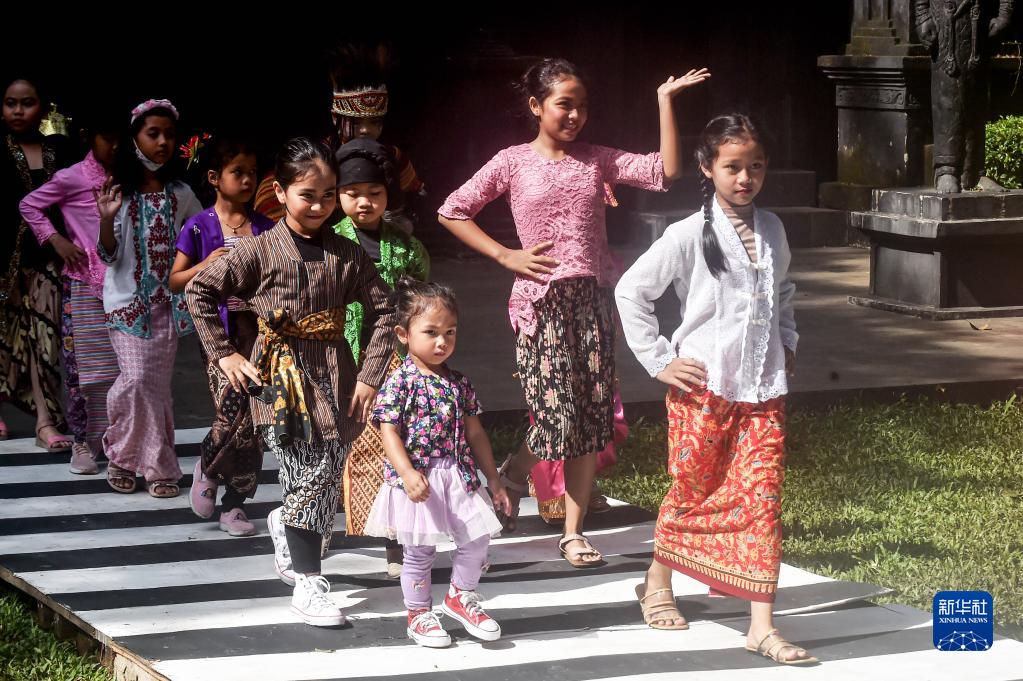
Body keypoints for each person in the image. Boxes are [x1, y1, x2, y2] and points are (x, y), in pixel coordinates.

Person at [438, 57, 708, 567]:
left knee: (590, 421)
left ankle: (573, 532)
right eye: (564, 104)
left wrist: (664, 100)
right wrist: (505, 255)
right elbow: (452, 210)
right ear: (536, 106)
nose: (575, 115)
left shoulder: (596, 159)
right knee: (556, 418)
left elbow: (665, 171)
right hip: (540, 305)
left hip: (593, 302)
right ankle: (514, 473)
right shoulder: (511, 161)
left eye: (582, 106)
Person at [615, 113, 816, 665]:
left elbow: (784, 290)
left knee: (762, 498)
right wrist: (660, 360)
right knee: (693, 491)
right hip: (704, 388)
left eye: (756, 166)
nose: (745, 178)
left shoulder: (773, 229)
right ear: (707, 167)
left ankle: (761, 627)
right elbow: (631, 291)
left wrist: (787, 339)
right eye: (733, 167)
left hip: (764, 391)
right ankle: (658, 580)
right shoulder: (686, 234)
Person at [187, 137, 395, 627]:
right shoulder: (257, 251)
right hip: (282, 376)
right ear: (280, 192)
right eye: (307, 195)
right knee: (309, 470)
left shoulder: (347, 253)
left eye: (328, 195)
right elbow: (199, 290)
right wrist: (225, 353)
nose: (319, 206)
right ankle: (308, 582)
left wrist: (370, 376)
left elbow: (386, 311)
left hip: (338, 373)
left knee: (330, 463)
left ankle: (286, 519)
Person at [363, 278, 510, 648]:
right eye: (431, 332)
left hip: (460, 476)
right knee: (419, 551)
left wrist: (494, 479)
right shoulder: (400, 382)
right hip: (420, 479)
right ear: (403, 334)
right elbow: (388, 431)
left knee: (477, 538)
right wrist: (406, 472)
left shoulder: (460, 383)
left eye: (450, 332)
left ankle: (460, 595)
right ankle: (418, 614)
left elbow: (475, 433)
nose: (442, 342)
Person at [332, 137, 429, 577]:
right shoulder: (328, 243)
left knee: (398, 446)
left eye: (374, 193)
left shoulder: (406, 247)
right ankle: (316, 525)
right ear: (338, 195)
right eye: (352, 193)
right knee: (349, 446)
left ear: (388, 195)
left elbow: (423, 302)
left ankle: (396, 538)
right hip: (343, 359)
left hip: (395, 361)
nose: (364, 202)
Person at [96, 98, 201, 498]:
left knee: (154, 388)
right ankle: (125, 454)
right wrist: (107, 218)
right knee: (137, 380)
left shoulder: (182, 194)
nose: (162, 142)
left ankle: (152, 466)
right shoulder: (117, 193)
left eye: (169, 135)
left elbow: (199, 239)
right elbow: (108, 256)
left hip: (167, 308)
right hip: (125, 305)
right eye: (152, 134)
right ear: (134, 138)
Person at [171, 136, 273, 535]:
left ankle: (234, 506)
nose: (247, 180)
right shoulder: (199, 227)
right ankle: (208, 466)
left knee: (255, 422)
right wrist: (206, 265)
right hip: (219, 337)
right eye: (237, 172)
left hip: (259, 336)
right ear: (215, 177)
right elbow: (175, 280)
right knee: (233, 413)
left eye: (252, 173)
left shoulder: (266, 227)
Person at [19, 109, 119, 472]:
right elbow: (29, 204)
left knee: (122, 370)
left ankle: (118, 442)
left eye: (120, 139)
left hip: (124, 284)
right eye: (107, 138)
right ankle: (83, 441)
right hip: (83, 281)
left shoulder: (130, 177)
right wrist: (56, 239)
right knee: (83, 370)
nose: (115, 146)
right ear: (89, 138)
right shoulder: (72, 176)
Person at [0, 75, 75, 448]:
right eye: (10, 103)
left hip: (48, 259)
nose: (18, 110)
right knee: (6, 337)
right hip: (4, 262)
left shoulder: (60, 151)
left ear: (42, 109)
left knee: (43, 337)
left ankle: (46, 420)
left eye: (27, 103)